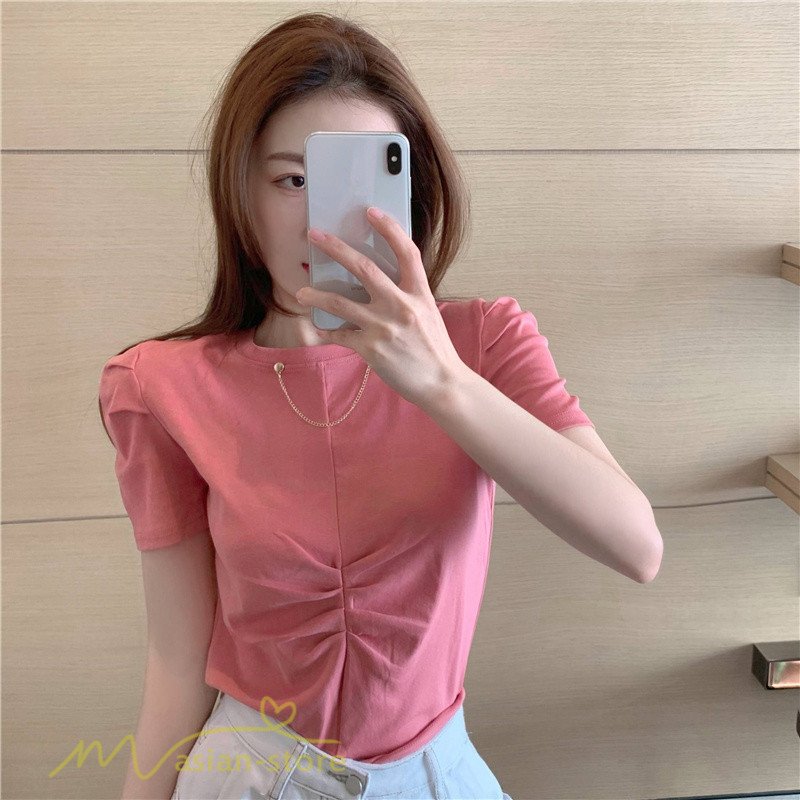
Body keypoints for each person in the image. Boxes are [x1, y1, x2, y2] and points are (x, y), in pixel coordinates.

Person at [98, 11, 595, 799]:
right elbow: (176, 659)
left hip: (436, 772)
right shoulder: (161, 386)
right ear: (241, 192)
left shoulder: (487, 342)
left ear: (410, 191)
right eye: (292, 180)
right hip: (247, 772)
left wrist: (442, 381)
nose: (322, 221)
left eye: (358, 182)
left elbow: (635, 545)